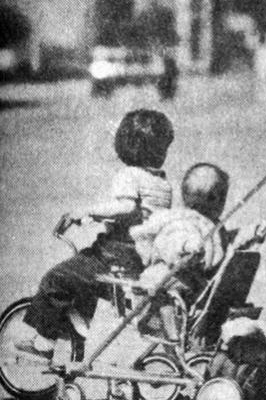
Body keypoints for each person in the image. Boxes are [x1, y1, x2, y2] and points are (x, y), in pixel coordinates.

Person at [17, 109, 175, 361]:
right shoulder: (162, 185)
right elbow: (140, 214)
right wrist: (100, 217)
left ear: (126, 145)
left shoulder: (129, 174)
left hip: (116, 257)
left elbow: (127, 207)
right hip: (140, 259)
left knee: (57, 278)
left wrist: (86, 211)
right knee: (82, 281)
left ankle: (45, 342)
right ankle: (76, 337)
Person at [130, 163, 230, 344]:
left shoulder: (197, 222)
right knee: (157, 289)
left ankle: (169, 332)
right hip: (178, 276)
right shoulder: (196, 223)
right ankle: (169, 332)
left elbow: (217, 242)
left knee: (154, 289)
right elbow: (177, 242)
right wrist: (188, 246)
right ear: (217, 200)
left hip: (182, 277)